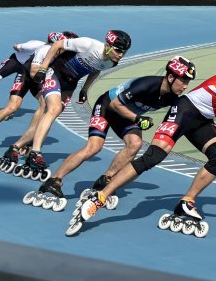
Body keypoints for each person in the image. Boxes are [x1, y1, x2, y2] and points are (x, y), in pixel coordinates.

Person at [76, 48, 216, 234]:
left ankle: (186, 202)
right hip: (185, 110)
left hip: (202, 119)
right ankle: (101, 197)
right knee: (153, 157)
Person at [36, 56, 196, 204]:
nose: (185, 86)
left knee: (135, 144)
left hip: (126, 115)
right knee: (94, 147)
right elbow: (115, 105)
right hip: (108, 106)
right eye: (183, 81)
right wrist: (138, 119)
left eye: (187, 82)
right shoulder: (147, 85)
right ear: (170, 77)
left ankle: (106, 179)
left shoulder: (173, 98)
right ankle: (55, 180)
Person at [0, 30, 131, 176]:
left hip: (70, 85)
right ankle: (35, 151)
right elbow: (57, 45)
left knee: (51, 114)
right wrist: (43, 68)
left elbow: (97, 69)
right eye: (118, 51)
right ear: (108, 46)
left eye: (124, 52)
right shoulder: (88, 44)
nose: (121, 55)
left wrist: (85, 89)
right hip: (55, 74)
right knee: (53, 110)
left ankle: (16, 146)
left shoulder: (112, 62)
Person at [0, 30, 76, 113]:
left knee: (40, 99)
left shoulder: (54, 52)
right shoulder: (35, 45)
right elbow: (16, 46)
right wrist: (20, 47)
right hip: (15, 62)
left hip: (27, 69)